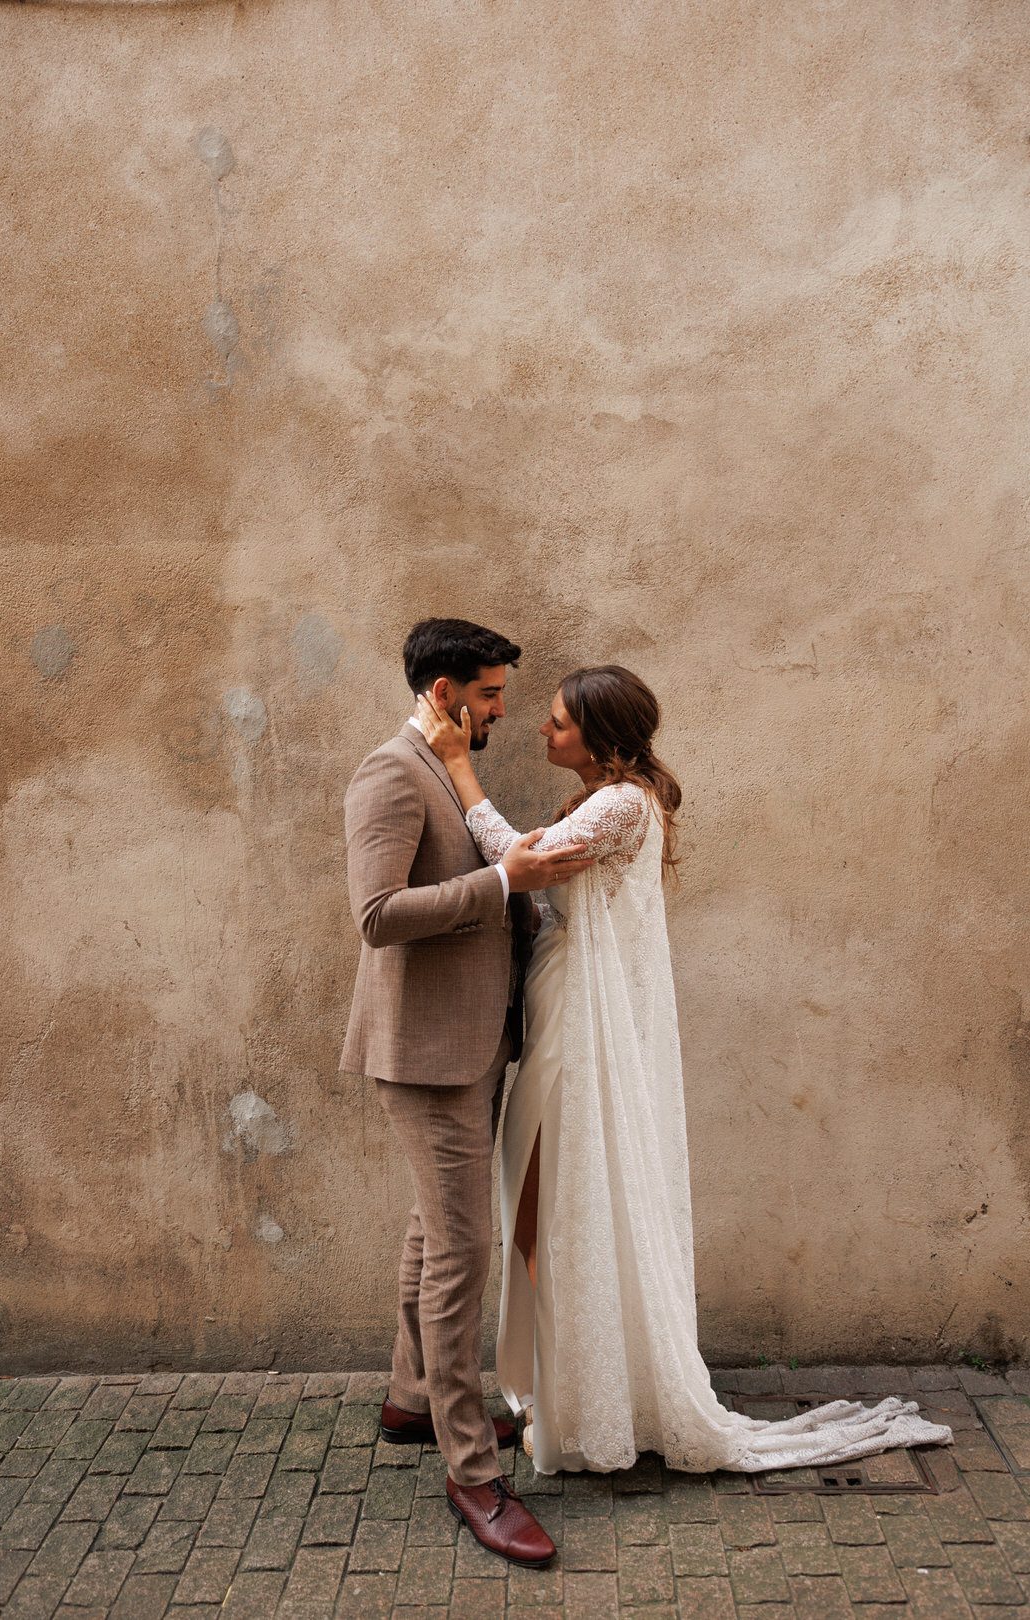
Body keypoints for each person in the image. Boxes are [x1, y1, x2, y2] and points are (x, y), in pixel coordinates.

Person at [417, 665, 955, 1475]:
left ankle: (594, 1399)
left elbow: (515, 858)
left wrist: (459, 766)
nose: (543, 730)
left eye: (559, 722)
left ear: (600, 737)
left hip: (577, 1029)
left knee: (558, 1196)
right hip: (559, 1011)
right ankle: (564, 1387)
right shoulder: (611, 798)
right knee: (537, 1195)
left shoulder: (624, 804)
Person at [341, 618, 596, 1569]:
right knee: (463, 1252)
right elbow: (376, 918)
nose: (500, 711)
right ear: (446, 691)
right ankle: (473, 1473)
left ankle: (412, 1398)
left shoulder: (444, 766)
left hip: (474, 1042)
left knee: (430, 1229)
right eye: (490, 695)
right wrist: (503, 883)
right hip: (424, 1056)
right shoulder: (389, 774)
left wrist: (508, 879)